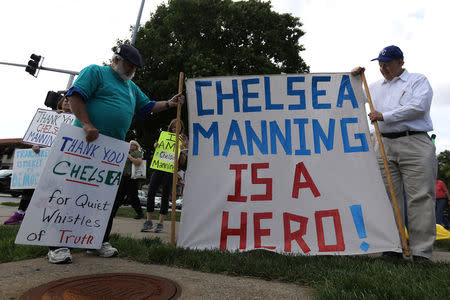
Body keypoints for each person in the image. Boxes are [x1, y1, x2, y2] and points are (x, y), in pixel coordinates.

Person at [62, 44, 184, 263]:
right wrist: (87, 124)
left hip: (111, 151)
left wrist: (169, 103)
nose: (131, 71)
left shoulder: (131, 87)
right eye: (129, 65)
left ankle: (97, 240)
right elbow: (75, 96)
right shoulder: (95, 72)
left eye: (135, 68)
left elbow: (146, 107)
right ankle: (59, 243)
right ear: (116, 60)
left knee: (107, 198)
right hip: (85, 143)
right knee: (72, 193)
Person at [352, 45, 437, 261]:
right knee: (387, 196)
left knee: (420, 196)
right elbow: (351, 97)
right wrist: (353, 78)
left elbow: (419, 106)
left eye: (387, 63)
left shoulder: (417, 81)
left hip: (415, 141)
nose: (383, 67)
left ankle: (421, 252)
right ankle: (393, 247)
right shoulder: (373, 87)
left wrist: (385, 116)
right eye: (380, 63)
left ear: (400, 62)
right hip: (383, 145)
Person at [4, 95, 72, 226]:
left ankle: (45, 216)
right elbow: (40, 138)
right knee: (30, 186)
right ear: (60, 103)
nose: (67, 102)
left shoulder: (78, 120)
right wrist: (35, 145)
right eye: (65, 100)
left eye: (71, 101)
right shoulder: (51, 117)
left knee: (53, 190)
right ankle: (21, 213)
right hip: (42, 160)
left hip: (61, 161)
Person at [141, 119, 187, 233]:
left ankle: (160, 223)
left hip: (170, 170)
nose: (176, 128)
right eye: (174, 126)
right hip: (158, 167)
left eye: (178, 127)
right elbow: (158, 151)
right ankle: (149, 221)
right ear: (170, 127)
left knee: (166, 195)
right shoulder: (164, 136)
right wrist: (156, 146)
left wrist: (181, 150)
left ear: (181, 128)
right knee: (151, 191)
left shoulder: (183, 139)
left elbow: (182, 162)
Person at [117, 140, 145, 219]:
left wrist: (129, 156)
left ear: (136, 146)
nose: (130, 146)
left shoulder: (137, 153)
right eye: (130, 144)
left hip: (131, 177)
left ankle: (140, 213)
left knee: (132, 196)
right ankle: (113, 211)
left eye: (133, 145)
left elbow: (138, 162)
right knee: (120, 195)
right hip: (125, 176)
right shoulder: (127, 152)